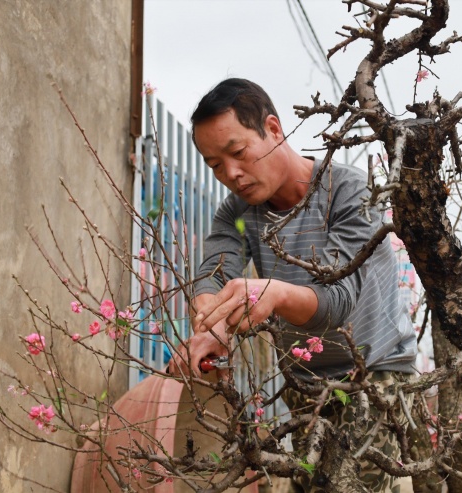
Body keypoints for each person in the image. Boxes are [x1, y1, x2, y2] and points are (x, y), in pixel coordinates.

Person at [168, 78, 417, 492]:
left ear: (274, 129)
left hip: (372, 376)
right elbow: (216, 269)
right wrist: (211, 324)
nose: (231, 174)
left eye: (238, 152)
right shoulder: (240, 212)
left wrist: (275, 293)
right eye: (215, 165)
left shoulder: (348, 191)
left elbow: (336, 301)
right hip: (303, 382)